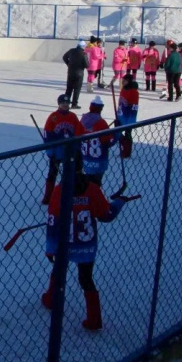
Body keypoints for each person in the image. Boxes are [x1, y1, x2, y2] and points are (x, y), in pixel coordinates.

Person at [41, 171, 130, 331]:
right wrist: (118, 203)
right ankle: (94, 319)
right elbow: (105, 215)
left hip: (65, 244)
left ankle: (51, 298)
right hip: (86, 246)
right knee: (85, 278)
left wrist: (50, 249)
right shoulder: (93, 189)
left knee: (59, 271)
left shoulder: (59, 191)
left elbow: (52, 222)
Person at [41, 94, 86, 204]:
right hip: (57, 151)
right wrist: (50, 150)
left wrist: (77, 147)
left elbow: (79, 132)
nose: (65, 105)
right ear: (59, 104)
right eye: (63, 103)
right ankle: (48, 196)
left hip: (70, 150)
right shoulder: (53, 117)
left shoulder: (73, 116)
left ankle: (70, 193)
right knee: (52, 173)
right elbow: (47, 135)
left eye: (67, 103)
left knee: (71, 172)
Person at [79, 97, 115, 186]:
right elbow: (109, 141)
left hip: (86, 160)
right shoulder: (101, 123)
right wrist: (117, 132)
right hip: (99, 161)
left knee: (87, 183)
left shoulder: (82, 120)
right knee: (96, 185)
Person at [117, 74, 139, 158]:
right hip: (121, 115)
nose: (123, 82)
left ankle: (127, 151)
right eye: (122, 80)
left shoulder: (134, 92)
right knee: (117, 132)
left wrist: (130, 119)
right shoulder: (123, 90)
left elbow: (134, 107)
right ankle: (124, 146)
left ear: (129, 81)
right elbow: (120, 103)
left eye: (125, 81)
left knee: (127, 134)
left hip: (129, 117)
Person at [62, 40, 88, 110]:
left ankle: (65, 102)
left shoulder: (71, 51)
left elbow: (64, 57)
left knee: (69, 88)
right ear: (83, 47)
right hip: (79, 74)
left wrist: (69, 64)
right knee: (77, 89)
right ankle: (74, 104)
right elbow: (86, 65)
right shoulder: (84, 54)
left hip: (70, 72)